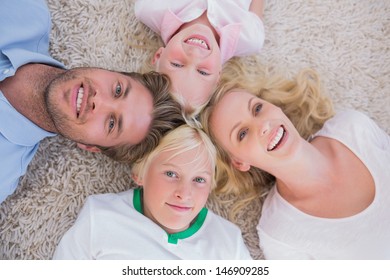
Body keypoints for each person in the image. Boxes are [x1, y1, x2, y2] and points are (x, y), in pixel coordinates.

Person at [200, 60, 390, 259]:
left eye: (257, 109)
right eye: (243, 133)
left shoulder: (352, 127)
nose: (263, 125)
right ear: (239, 162)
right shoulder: (280, 235)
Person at [0, 0, 185, 203]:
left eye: (112, 123)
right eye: (117, 90)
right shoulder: (28, 13)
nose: (98, 101)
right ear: (108, 71)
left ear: (90, 147)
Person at [53, 124, 252, 259]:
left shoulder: (227, 244)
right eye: (171, 173)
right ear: (140, 174)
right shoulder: (101, 217)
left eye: (199, 180)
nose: (184, 193)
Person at [135, 0, 265, 114]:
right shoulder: (249, 38)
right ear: (218, 76)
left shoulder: (150, 9)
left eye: (177, 64)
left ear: (159, 55)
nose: (195, 54)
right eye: (203, 72)